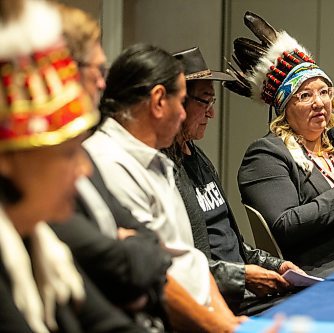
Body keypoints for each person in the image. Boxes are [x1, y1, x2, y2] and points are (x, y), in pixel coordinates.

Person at [0, 0, 146, 331]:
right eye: (67, 154)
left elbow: (109, 325)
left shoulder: (41, 243)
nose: (84, 170)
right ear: (7, 160)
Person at [83, 43, 245, 331]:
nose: (183, 115)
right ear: (158, 101)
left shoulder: (157, 158)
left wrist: (226, 320)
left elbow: (190, 260)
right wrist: (222, 328)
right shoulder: (106, 162)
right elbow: (156, 278)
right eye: (181, 102)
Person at [224, 12, 334, 276]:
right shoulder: (265, 154)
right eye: (305, 95)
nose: (320, 102)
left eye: (324, 92)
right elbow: (283, 226)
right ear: (284, 108)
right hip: (320, 271)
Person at [165, 46, 302, 314]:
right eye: (204, 102)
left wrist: (275, 265)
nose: (211, 113)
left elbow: (233, 244)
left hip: (241, 292)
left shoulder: (199, 158)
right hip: (215, 303)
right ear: (178, 103)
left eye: (212, 103)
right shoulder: (163, 170)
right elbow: (181, 265)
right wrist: (243, 276)